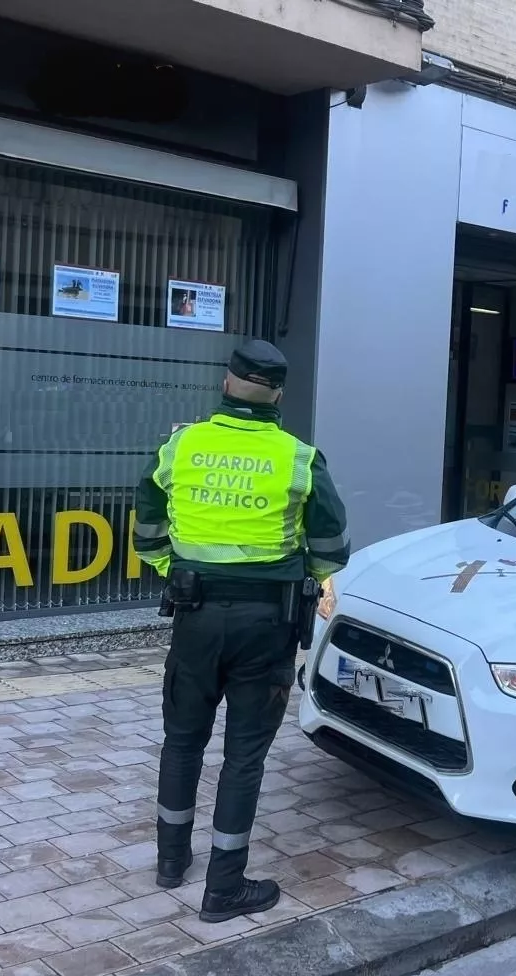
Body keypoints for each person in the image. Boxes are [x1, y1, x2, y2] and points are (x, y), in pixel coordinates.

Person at [132, 339, 350, 922]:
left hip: (194, 618)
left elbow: (147, 527)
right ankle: (223, 888)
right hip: (267, 624)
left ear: (227, 384)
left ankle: (171, 863)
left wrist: (173, 572)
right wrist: (305, 571)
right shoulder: (300, 458)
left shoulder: (182, 446)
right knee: (243, 758)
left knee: (181, 742)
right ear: (277, 394)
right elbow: (332, 549)